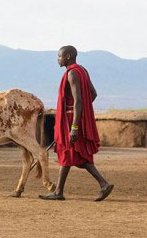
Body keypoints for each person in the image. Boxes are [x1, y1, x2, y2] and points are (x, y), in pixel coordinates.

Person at [40, 45, 114, 201]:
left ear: (67, 57)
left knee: (70, 152)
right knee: (75, 154)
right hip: (74, 118)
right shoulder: (83, 71)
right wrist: (82, 111)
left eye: (59, 56)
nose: (57, 59)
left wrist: (74, 125)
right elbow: (93, 94)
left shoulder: (72, 73)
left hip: (70, 121)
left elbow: (79, 100)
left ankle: (102, 184)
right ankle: (60, 191)